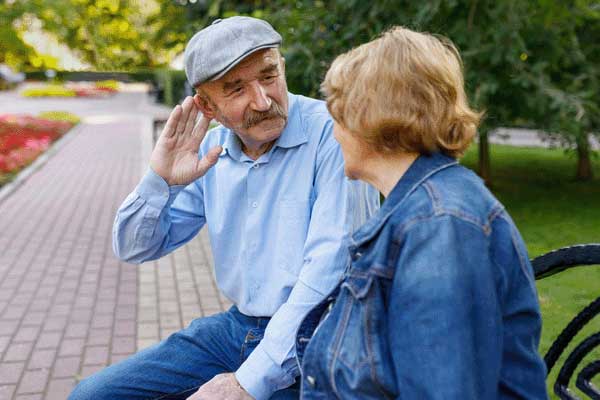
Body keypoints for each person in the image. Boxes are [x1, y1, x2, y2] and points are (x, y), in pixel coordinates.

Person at [68, 16, 378, 400]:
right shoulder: (209, 151)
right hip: (237, 329)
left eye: (269, 76)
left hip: (321, 338)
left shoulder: (335, 135)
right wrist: (160, 179)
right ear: (206, 105)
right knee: (92, 396)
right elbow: (135, 247)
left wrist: (246, 383)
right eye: (236, 89)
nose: (263, 101)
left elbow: (329, 275)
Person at [296, 27, 548, 399]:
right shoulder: (420, 208)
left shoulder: (438, 225)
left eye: (338, 113)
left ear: (369, 115)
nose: (333, 132)